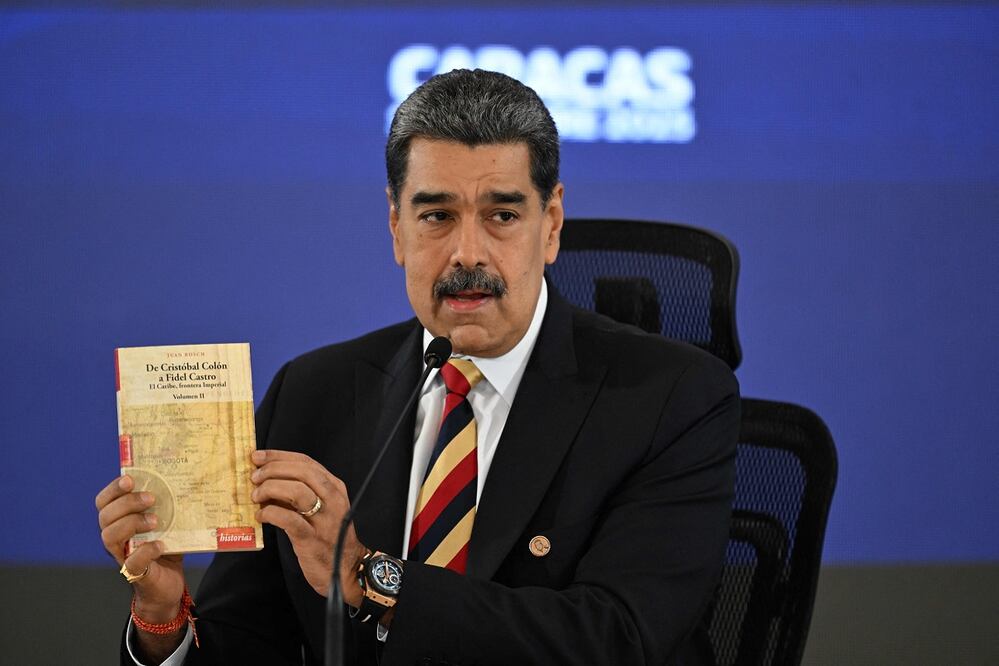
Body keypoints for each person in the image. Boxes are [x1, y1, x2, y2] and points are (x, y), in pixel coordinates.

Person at [96, 68, 740, 665]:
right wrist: (161, 613)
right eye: (436, 216)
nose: (467, 252)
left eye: (503, 215)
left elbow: (618, 640)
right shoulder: (313, 394)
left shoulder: (672, 397)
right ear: (396, 228)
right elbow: (247, 645)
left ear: (551, 225)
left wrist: (370, 576)